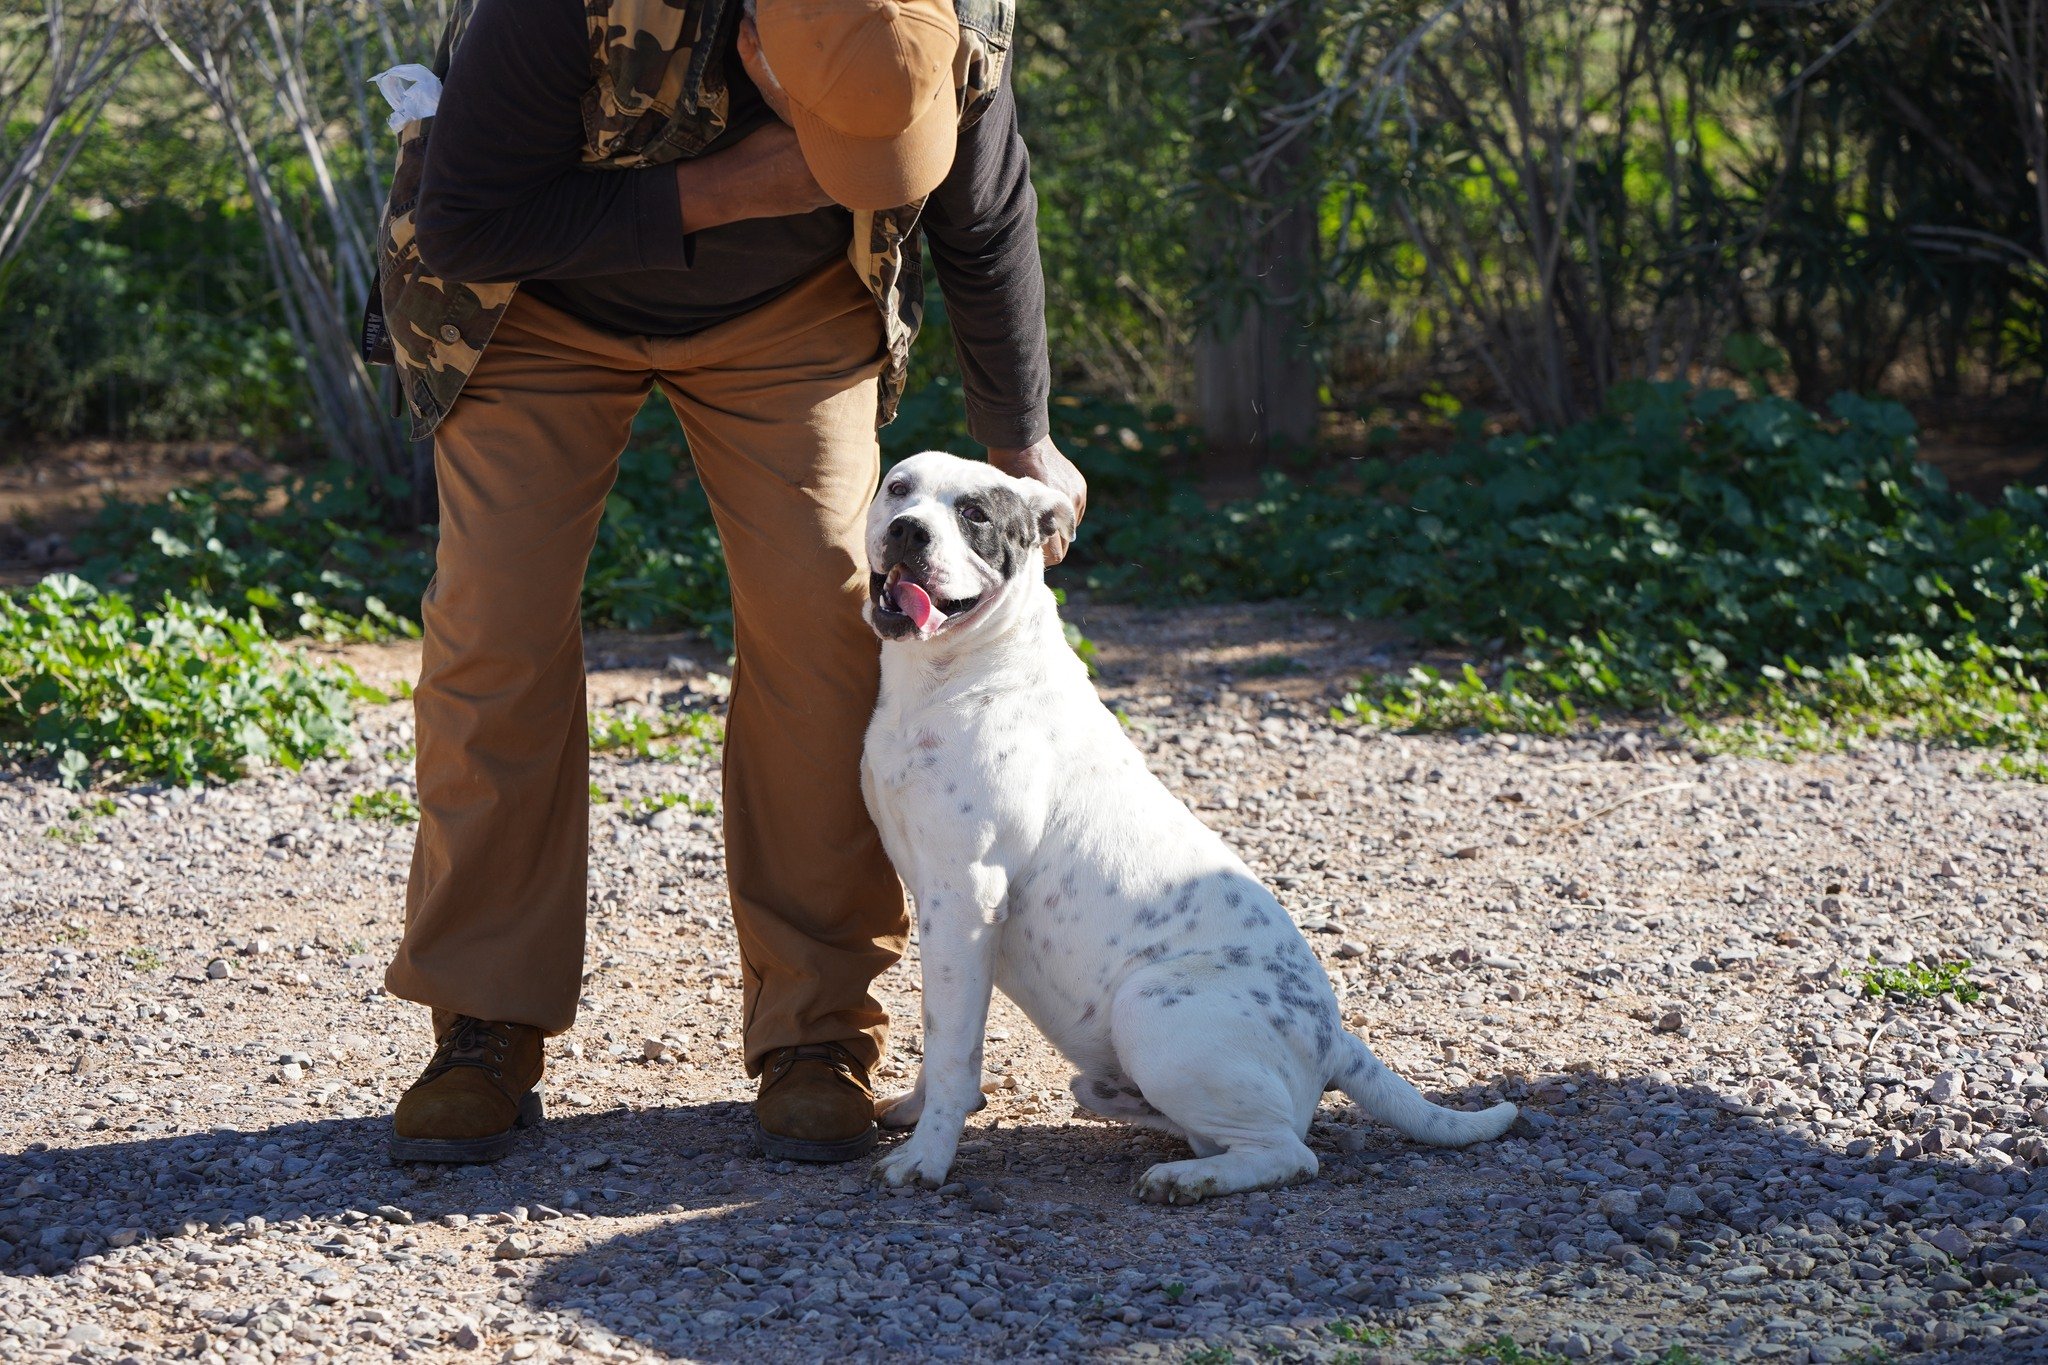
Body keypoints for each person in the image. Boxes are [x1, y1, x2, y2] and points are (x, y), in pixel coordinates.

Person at [362, 0, 1086, 1165]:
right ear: (757, 42)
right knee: (493, 627)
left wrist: (1022, 437)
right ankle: (481, 1026)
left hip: (790, 308)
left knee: (830, 627)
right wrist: (721, 191)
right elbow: (463, 224)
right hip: (530, 301)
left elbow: (984, 213)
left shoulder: (958, 19)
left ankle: (817, 1032)